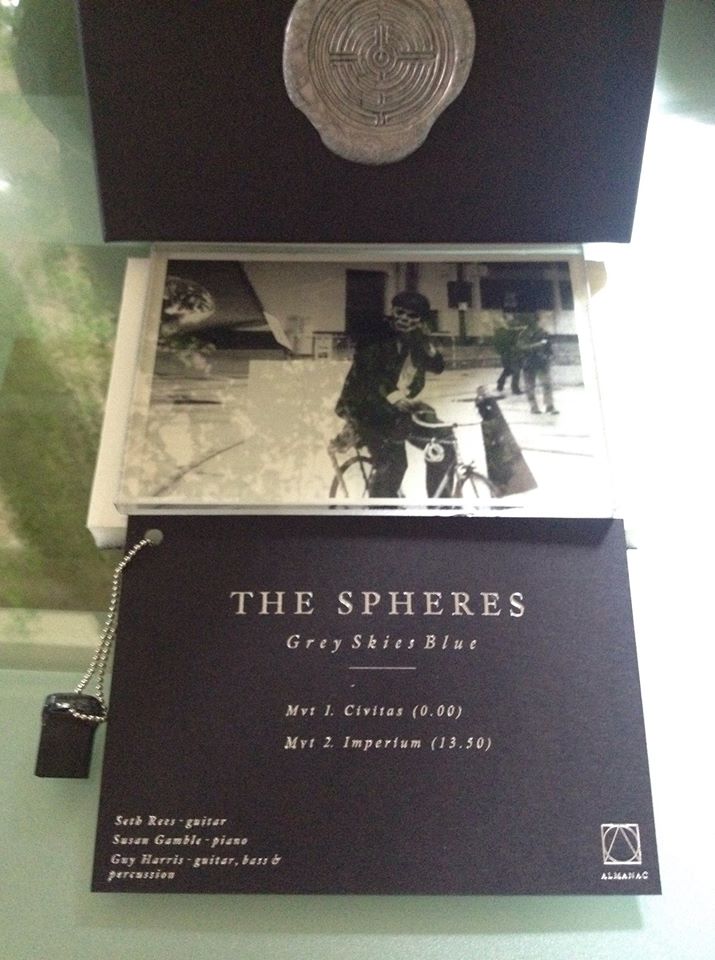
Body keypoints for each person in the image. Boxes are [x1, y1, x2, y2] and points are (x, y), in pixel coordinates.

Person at [335, 291, 456, 497]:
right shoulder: (375, 335)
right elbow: (371, 374)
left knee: (443, 444)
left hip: (397, 410)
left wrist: (428, 342)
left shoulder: (417, 339)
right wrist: (394, 397)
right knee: (394, 464)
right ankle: (381, 511)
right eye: (400, 312)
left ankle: (440, 506)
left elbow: (437, 367)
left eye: (412, 316)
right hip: (366, 408)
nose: (404, 319)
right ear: (392, 311)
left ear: (420, 320)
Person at [517, 313, 558, 414]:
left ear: (536, 320)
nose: (532, 322)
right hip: (529, 362)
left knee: (547, 384)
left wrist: (549, 357)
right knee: (530, 387)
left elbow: (549, 347)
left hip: (541, 362)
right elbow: (521, 347)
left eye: (533, 320)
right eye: (530, 321)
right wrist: (537, 345)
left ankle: (549, 406)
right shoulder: (523, 334)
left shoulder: (543, 333)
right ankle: (534, 407)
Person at [493, 315, 523, 395]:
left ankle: (500, 383)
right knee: (516, 371)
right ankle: (515, 389)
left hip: (506, 354)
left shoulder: (500, 332)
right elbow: (512, 341)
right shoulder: (505, 332)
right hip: (511, 354)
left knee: (508, 370)